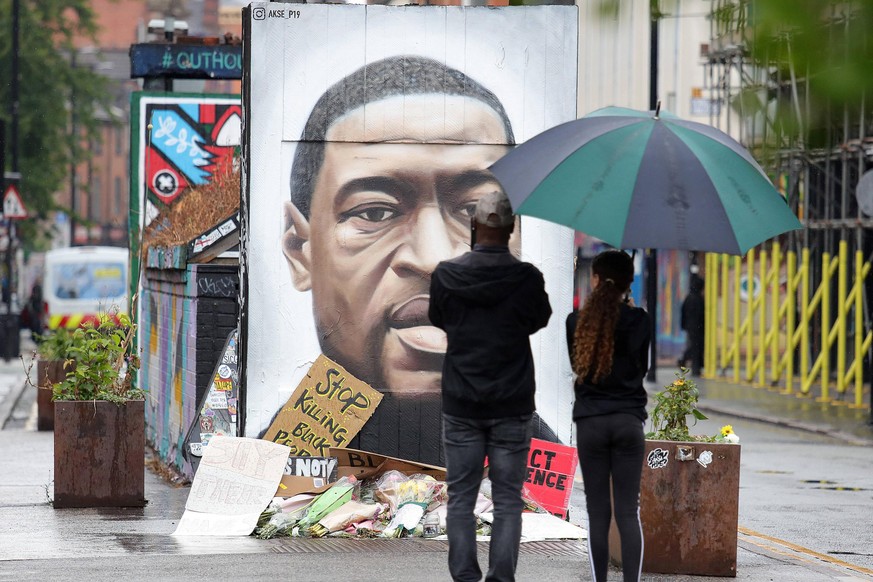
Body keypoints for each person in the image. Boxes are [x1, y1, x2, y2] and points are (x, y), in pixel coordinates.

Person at [280, 55, 526, 463]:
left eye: (474, 211)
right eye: (374, 212)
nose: (434, 259)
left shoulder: (538, 469)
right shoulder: (285, 473)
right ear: (301, 254)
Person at [429, 190, 552, 582]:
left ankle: (465, 577)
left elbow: (440, 318)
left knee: (462, 498)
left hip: (462, 403)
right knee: (507, 502)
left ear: (473, 226)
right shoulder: (527, 279)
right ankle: (502, 578)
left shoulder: (447, 276)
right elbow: (538, 319)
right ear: (511, 228)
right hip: (512, 405)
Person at [566, 249, 649, 582]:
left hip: (591, 423)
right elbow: (640, 369)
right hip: (629, 422)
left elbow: (577, 367)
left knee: (597, 513)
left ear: (596, 279)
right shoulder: (640, 320)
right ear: (628, 283)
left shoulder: (576, 322)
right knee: (628, 512)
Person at [679, 273, 705, 376]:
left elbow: (683, 312)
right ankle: (695, 368)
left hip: (690, 327)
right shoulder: (698, 299)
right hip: (698, 327)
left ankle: (692, 365)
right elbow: (701, 315)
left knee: (694, 346)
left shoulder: (689, 297)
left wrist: (684, 325)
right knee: (696, 347)